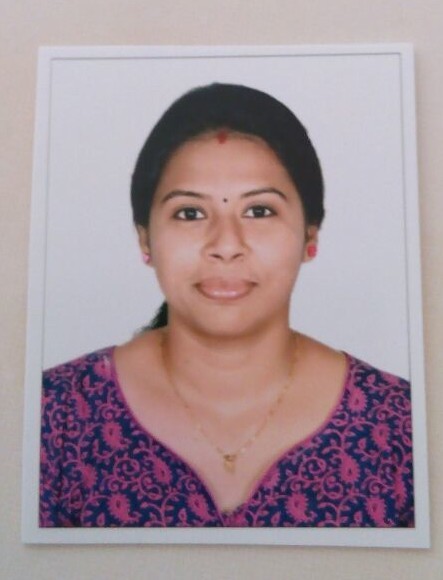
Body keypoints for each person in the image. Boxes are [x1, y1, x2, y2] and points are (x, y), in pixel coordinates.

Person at [39, 83, 414, 528]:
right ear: (145, 240)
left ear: (310, 237)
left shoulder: (400, 424)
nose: (226, 245)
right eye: (190, 213)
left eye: (259, 211)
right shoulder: (55, 415)